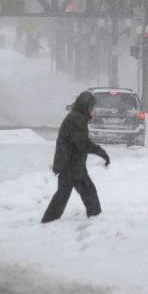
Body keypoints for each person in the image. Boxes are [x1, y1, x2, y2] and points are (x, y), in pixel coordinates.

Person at [41, 91, 110, 223]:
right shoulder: (77, 120)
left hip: (71, 164)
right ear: (85, 106)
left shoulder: (76, 117)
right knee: (82, 194)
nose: (93, 110)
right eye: (91, 107)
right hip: (70, 165)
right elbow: (82, 144)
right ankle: (95, 219)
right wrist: (101, 152)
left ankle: (49, 220)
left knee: (70, 195)